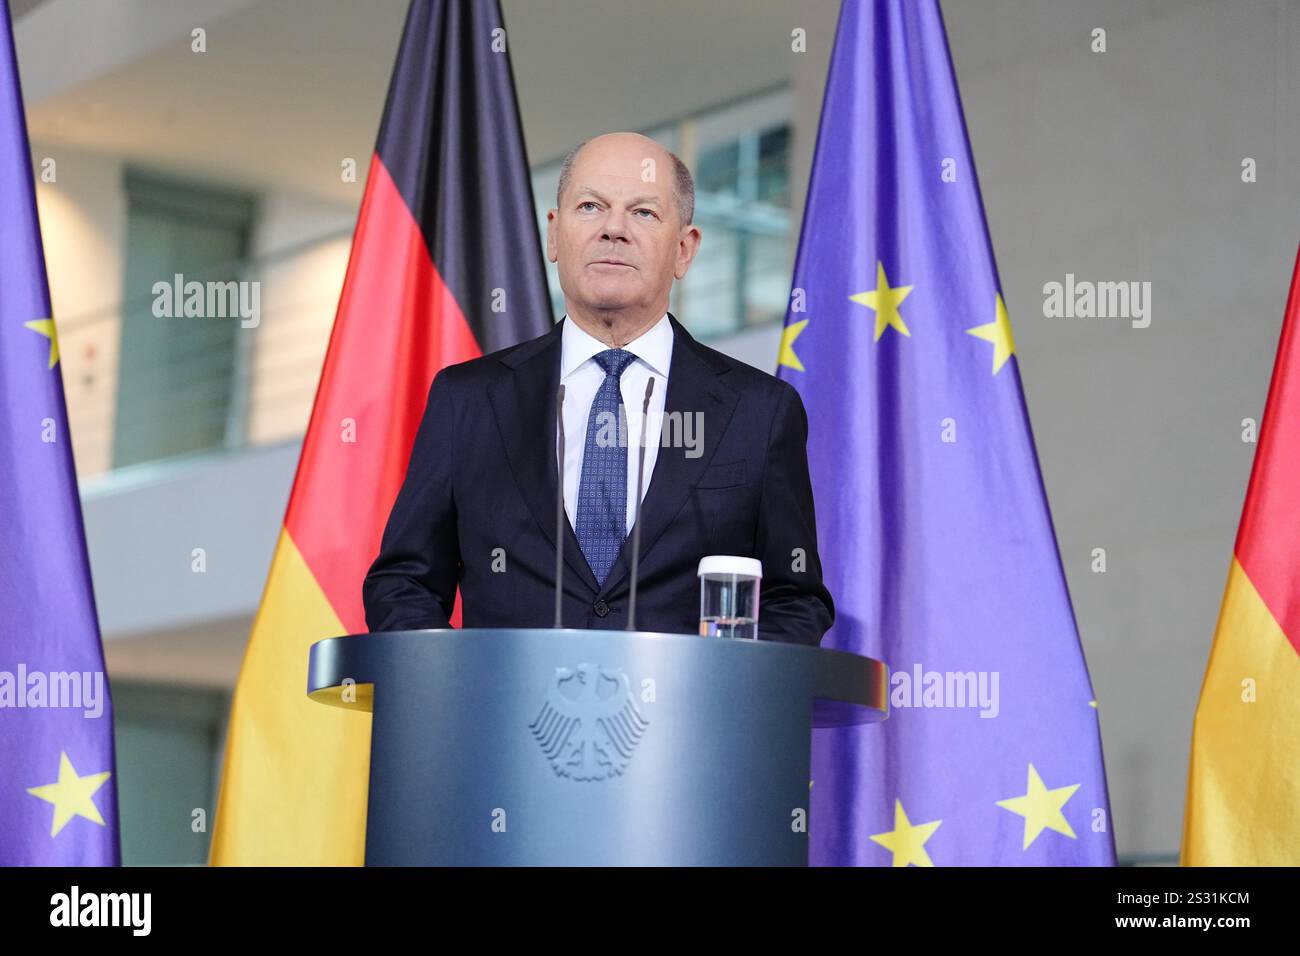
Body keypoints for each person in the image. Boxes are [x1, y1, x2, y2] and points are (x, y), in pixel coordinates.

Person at [362, 131, 833, 645]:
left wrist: (730, 695)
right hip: (504, 720)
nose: (614, 229)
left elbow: (795, 600)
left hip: (688, 722)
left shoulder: (759, 410)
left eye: (644, 213)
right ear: (553, 235)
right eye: (591, 206)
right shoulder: (468, 399)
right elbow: (404, 583)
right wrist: (453, 691)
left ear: (684, 249)